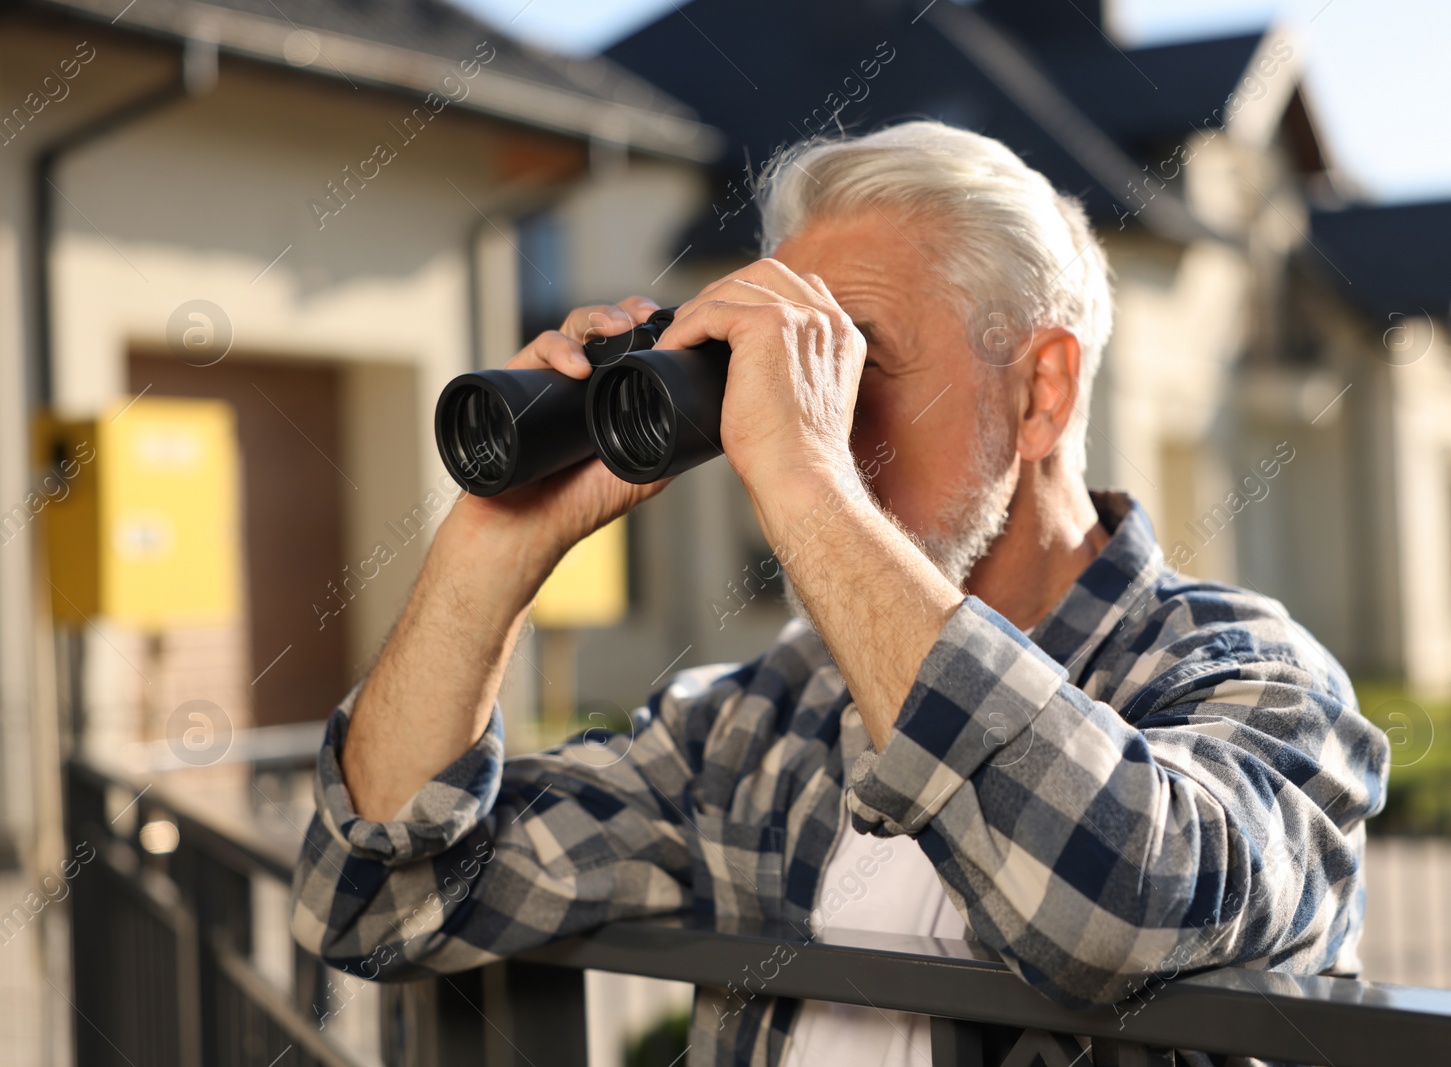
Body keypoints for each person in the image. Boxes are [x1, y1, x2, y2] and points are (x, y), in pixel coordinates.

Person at [290, 121, 1389, 1066]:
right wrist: (492, 549)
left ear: (1043, 391)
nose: (808, 415)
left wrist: (811, 484)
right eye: (793, 368)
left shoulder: (1243, 677)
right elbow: (375, 903)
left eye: (852, 358)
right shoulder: (761, 721)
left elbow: (1120, 911)